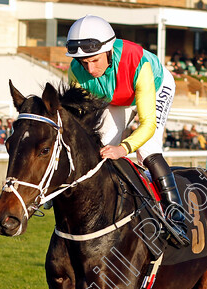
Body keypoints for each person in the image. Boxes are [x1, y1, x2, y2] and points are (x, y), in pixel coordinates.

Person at [66, 15, 189, 245]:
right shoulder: (76, 71)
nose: (90, 69)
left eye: (94, 60)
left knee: (147, 149)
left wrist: (124, 148)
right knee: (101, 145)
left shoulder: (136, 62)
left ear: (109, 51)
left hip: (156, 84)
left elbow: (148, 125)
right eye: (84, 63)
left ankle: (176, 215)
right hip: (117, 96)